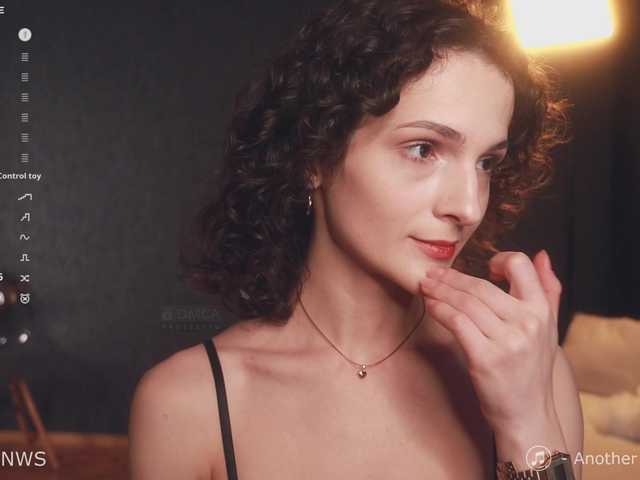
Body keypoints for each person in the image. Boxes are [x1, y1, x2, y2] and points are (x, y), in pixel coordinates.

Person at [129, 0, 584, 478]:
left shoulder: (531, 375)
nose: (468, 206)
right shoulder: (189, 404)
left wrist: (525, 423)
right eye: (423, 149)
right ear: (314, 156)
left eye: (486, 162)